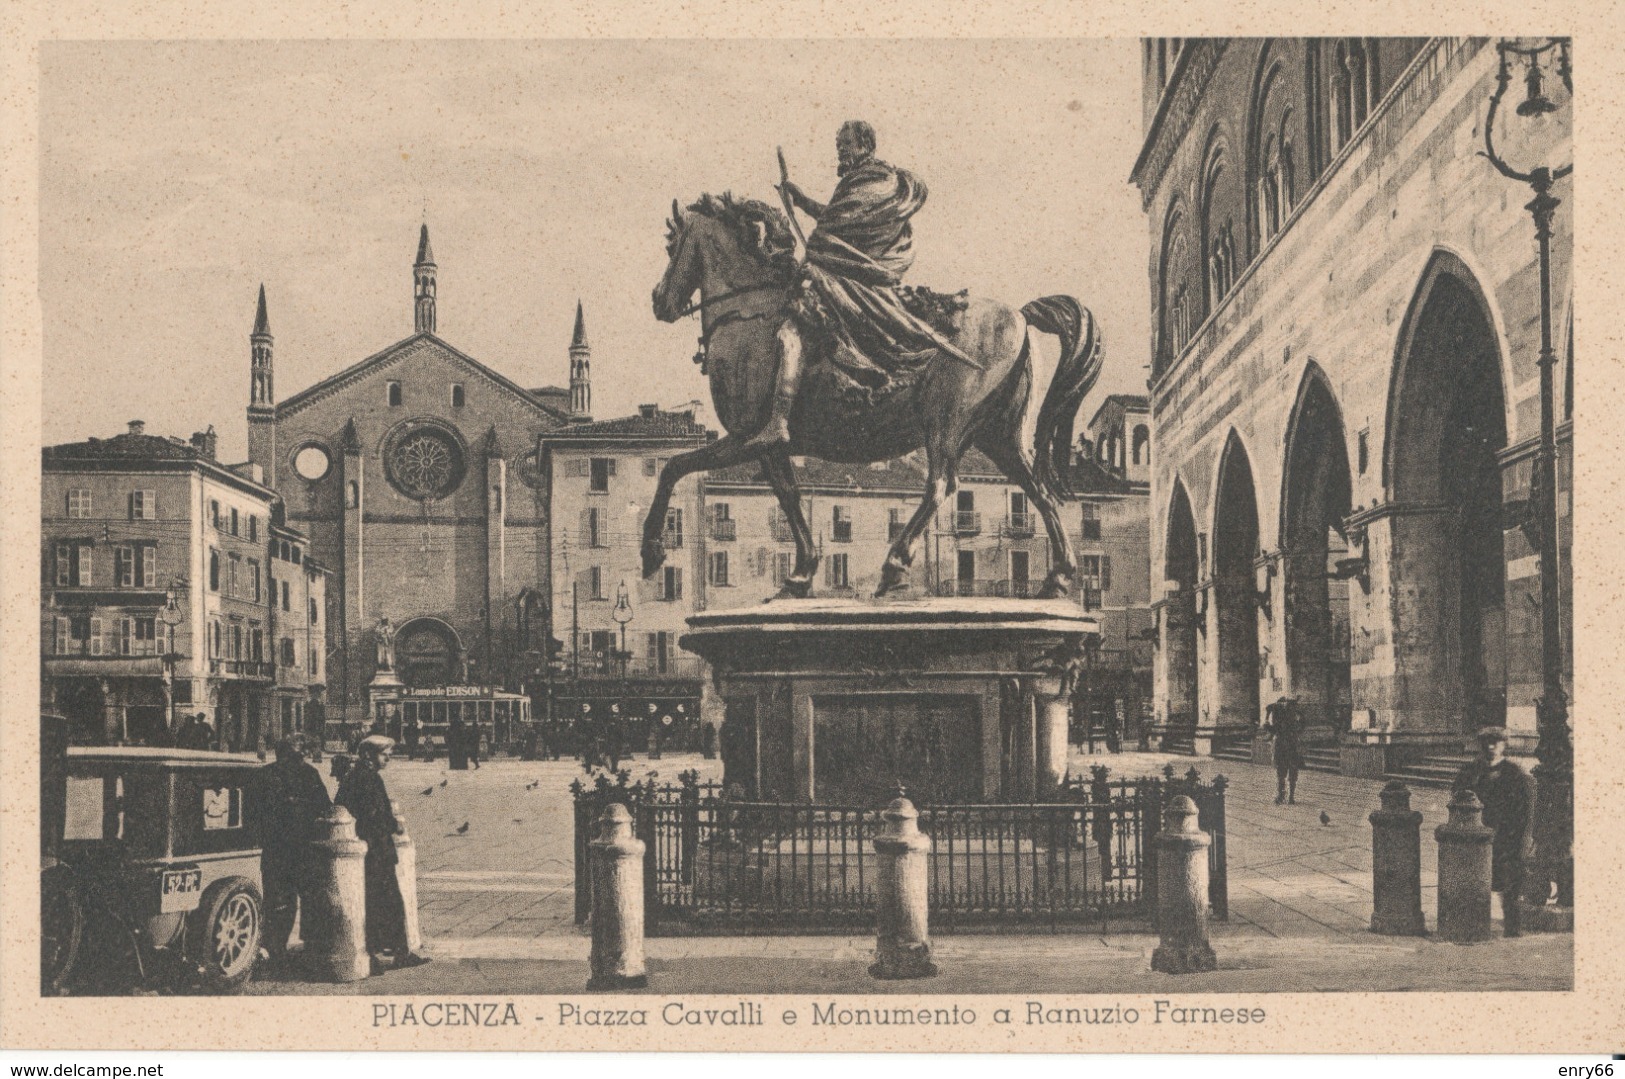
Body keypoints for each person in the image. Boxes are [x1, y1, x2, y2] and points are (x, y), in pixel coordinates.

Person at [753, 120, 971, 448]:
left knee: (791, 330)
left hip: (859, 278)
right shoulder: (866, 181)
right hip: (855, 272)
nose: (840, 149)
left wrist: (815, 237)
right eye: (838, 143)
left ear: (864, 146)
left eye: (846, 144)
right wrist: (801, 201)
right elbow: (837, 220)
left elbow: (834, 226)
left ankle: (779, 421)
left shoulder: (871, 181)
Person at [335, 736, 429, 973]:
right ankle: (391, 955)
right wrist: (393, 824)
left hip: (372, 850)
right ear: (368, 755)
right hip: (375, 850)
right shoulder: (367, 778)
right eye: (384, 753)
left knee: (379, 902)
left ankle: (387, 953)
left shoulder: (358, 776)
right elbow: (373, 815)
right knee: (383, 903)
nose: (388, 758)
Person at [254, 737, 332, 967]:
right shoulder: (275, 775)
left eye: (298, 755)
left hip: (296, 849)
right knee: (282, 900)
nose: (298, 759)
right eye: (294, 755)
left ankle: (291, 947)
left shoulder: (306, 774)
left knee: (299, 899)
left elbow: (325, 806)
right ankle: (276, 949)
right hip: (284, 848)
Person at [1453, 727, 1536, 937]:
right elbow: (1456, 797)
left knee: (1510, 884)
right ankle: (1471, 925)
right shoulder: (1469, 772)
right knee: (1474, 881)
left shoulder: (1514, 773)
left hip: (1507, 837)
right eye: (1487, 743)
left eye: (1496, 742)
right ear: (1481, 746)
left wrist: (1524, 837)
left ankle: (1512, 927)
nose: (1491, 747)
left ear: (1503, 745)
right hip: (1478, 836)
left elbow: (1525, 809)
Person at [1262, 695, 1304, 805]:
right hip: (1292, 746)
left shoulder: (1280, 719)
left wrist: (1266, 723)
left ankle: (1281, 795)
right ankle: (1291, 797)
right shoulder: (1296, 718)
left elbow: (1273, 729)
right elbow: (1301, 728)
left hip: (1281, 747)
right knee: (1292, 772)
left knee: (1281, 773)